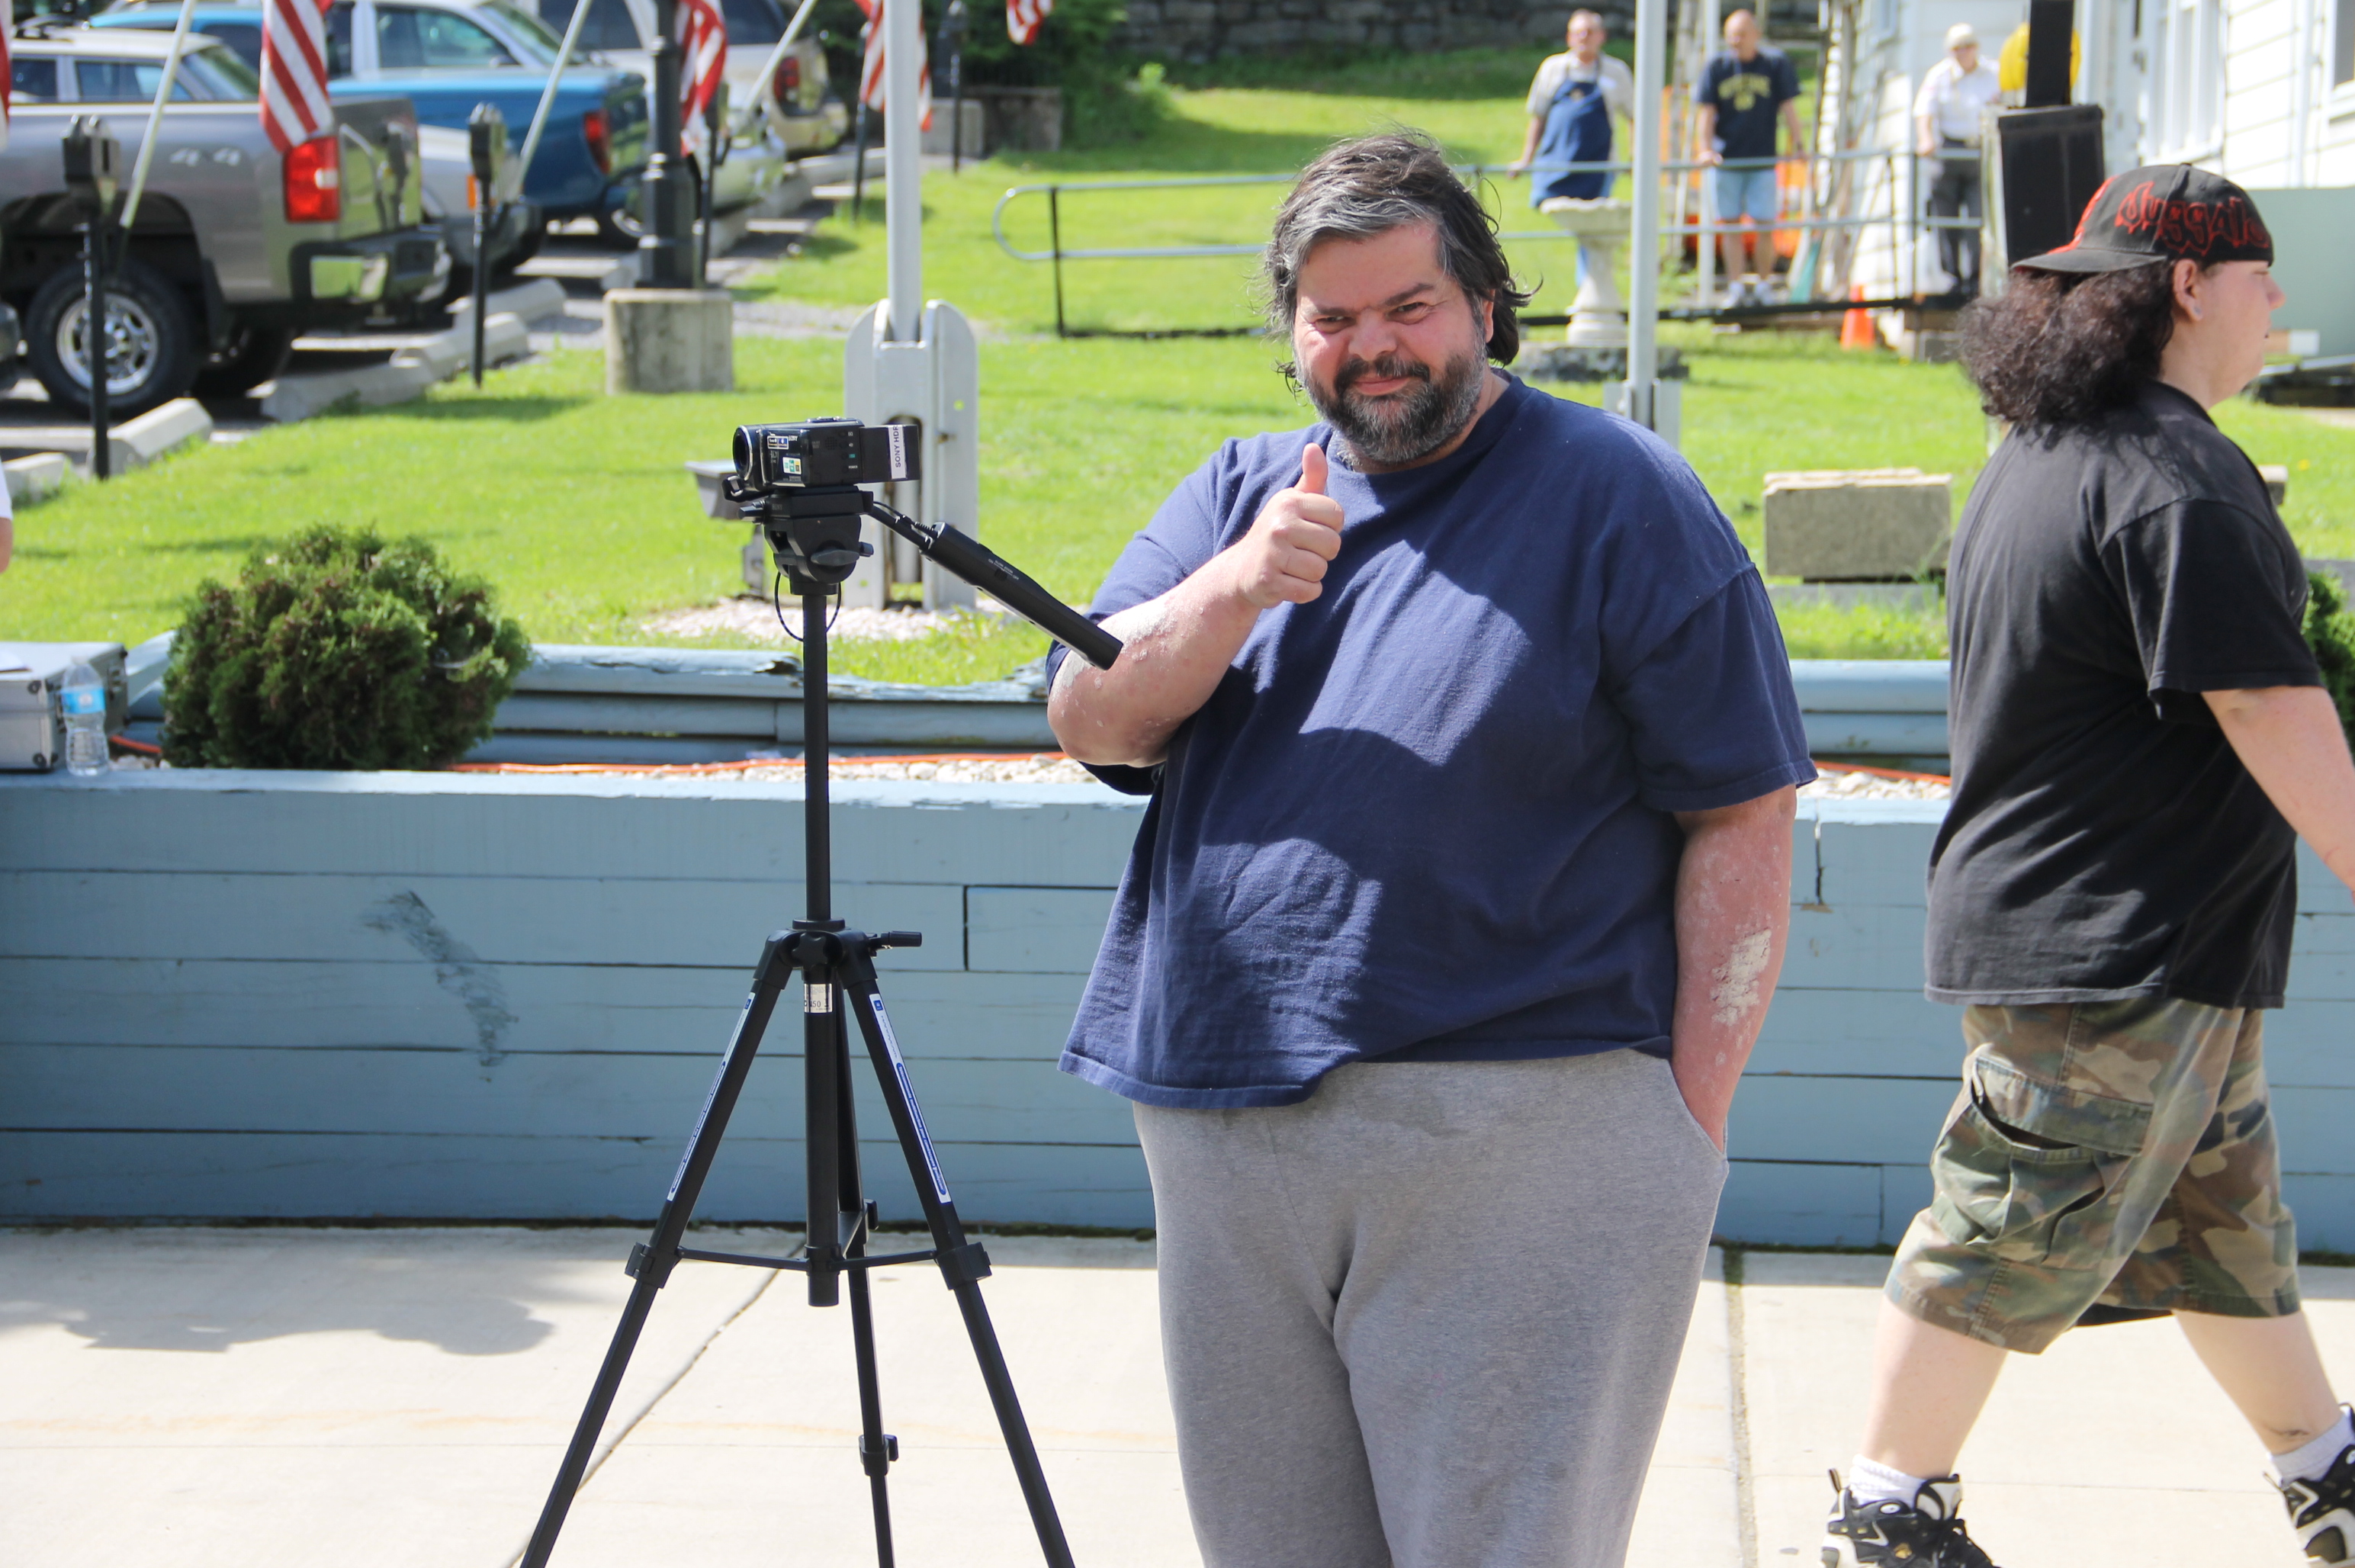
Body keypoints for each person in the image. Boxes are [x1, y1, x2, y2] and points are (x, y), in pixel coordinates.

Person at [1047, 130, 1817, 1568]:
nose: (1373, 348)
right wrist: (1233, 587)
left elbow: (1742, 808)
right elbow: (1092, 720)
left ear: (1484, 304)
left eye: (1409, 307)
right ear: (1291, 333)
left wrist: (1684, 1119)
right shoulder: (1234, 495)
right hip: (1221, 1122)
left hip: (1522, 1128)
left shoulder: (1619, 495)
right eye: (1332, 317)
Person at [1823, 166, 2355, 1568]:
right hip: (2114, 954)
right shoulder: (2176, 476)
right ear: (2188, 285)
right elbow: (2266, 703)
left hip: (2146, 947)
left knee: (2221, 1232)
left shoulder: (2049, 452)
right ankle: (1884, 1517)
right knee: (2002, 1230)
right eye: (2258, 273)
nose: (2276, 298)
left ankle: (2327, 1472)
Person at [1692, 8, 1804, 308]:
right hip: (1727, 160)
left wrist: (1799, 145)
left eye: (1741, 34)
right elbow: (1706, 112)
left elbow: (1789, 108)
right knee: (1730, 225)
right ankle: (1736, 286)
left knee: (1765, 224)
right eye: (1731, 35)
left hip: (1762, 160)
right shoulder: (1717, 67)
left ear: (1756, 35)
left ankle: (1765, 285)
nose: (1736, 41)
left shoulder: (1774, 65)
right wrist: (1705, 148)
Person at [1910, 23, 2000, 298]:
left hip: (1980, 151)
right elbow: (1924, 110)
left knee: (1977, 217)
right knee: (1945, 217)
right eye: (1957, 48)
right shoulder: (1939, 76)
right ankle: (1952, 277)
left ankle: (1975, 278)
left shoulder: (1993, 73)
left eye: (1968, 46)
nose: (1963, 52)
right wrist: (1926, 138)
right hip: (1949, 150)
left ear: (1976, 48)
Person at [1512, 8, 1634, 206]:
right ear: (1569, 37)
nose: (1584, 37)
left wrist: (1634, 159)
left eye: (1590, 32)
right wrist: (1526, 159)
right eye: (1578, 33)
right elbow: (1538, 116)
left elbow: (1635, 116)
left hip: (1598, 168)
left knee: (1593, 216)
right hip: (1555, 164)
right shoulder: (1552, 68)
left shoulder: (1616, 71)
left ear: (1602, 36)